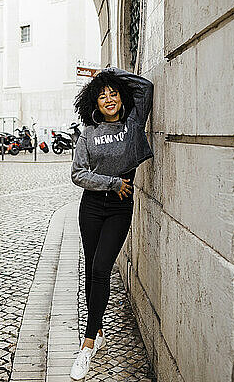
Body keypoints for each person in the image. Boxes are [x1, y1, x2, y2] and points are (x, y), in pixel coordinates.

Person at [69, 66, 154, 380]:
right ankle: (98, 329)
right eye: (102, 94)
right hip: (91, 207)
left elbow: (144, 87)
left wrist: (110, 74)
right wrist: (111, 183)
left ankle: (88, 345)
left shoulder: (133, 124)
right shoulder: (89, 134)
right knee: (92, 269)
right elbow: (78, 174)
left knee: (103, 267)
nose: (108, 98)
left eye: (113, 93)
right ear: (94, 101)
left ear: (120, 97)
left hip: (119, 209)